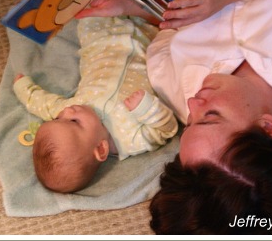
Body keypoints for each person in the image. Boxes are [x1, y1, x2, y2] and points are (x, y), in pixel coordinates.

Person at [76, 0, 272, 234]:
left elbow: (175, 13)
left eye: (189, 123)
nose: (192, 104)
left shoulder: (171, 83)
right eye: (211, 116)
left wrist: (136, 2)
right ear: (268, 129)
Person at [13, 16, 178, 193]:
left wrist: (23, 88)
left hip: (102, 43)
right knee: (173, 24)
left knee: (91, 12)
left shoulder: (71, 110)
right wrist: (146, 108)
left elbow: (43, 104)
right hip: (150, 41)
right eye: (73, 122)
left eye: (57, 117)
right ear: (101, 148)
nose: (67, 111)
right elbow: (166, 130)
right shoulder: (131, 140)